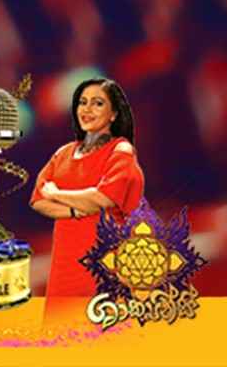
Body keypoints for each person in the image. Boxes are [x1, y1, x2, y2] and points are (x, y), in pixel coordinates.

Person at [30, 76, 143, 302]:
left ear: (114, 113)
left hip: (107, 264)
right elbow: (38, 201)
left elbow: (103, 198)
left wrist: (57, 194)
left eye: (97, 103)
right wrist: (75, 211)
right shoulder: (62, 154)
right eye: (82, 103)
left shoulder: (120, 150)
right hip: (65, 266)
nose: (87, 109)